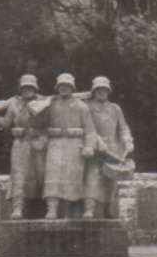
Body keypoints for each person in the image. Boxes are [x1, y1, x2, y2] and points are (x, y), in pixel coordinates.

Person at [0, 74, 48, 219]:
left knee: (42, 174)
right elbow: (6, 123)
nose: (27, 90)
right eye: (24, 87)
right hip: (21, 143)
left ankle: (46, 208)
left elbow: (52, 122)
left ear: (35, 88)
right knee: (19, 174)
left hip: (39, 143)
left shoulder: (44, 101)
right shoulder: (14, 103)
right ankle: (17, 208)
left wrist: (43, 138)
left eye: (30, 87)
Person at [31, 73, 93, 219]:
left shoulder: (81, 106)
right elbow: (40, 124)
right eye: (61, 86)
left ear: (72, 87)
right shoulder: (50, 104)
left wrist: (89, 146)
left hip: (75, 144)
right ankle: (51, 209)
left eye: (67, 86)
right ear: (57, 87)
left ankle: (71, 210)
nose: (64, 88)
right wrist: (37, 111)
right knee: (52, 176)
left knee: (73, 177)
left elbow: (90, 130)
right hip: (55, 143)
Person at [82, 75, 134, 219]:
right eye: (98, 89)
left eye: (104, 89)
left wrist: (127, 142)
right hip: (95, 148)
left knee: (110, 182)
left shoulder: (115, 108)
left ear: (108, 90)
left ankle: (109, 209)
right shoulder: (87, 107)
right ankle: (89, 209)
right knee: (92, 178)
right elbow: (87, 127)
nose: (101, 92)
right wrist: (97, 141)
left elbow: (123, 128)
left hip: (113, 150)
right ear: (93, 91)